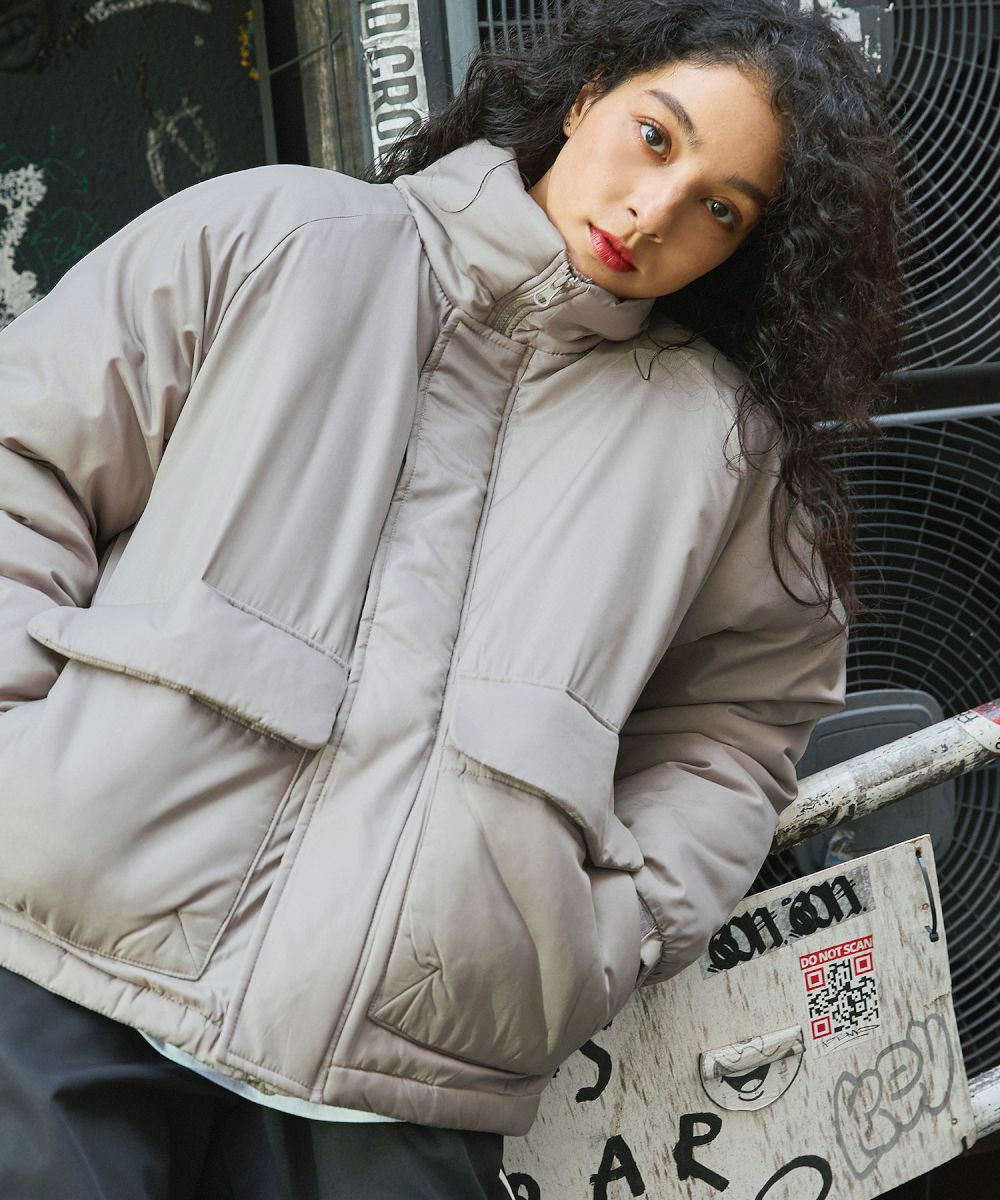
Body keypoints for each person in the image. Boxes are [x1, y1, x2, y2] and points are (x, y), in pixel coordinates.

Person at [0, 0, 903, 1196]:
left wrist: (603, 932)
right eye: (653, 137)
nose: (654, 212)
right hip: (60, 969)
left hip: (401, 1071)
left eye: (720, 209)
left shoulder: (723, 454)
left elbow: (738, 727)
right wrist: (24, 749)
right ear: (588, 94)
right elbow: (25, 462)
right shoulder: (280, 235)